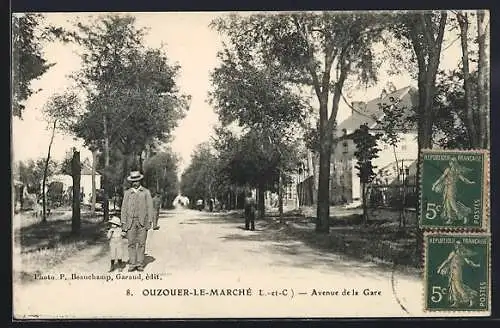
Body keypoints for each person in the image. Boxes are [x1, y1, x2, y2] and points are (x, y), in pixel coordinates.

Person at [120, 171, 154, 272]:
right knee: (131, 243)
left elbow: (150, 207)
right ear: (131, 182)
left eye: (137, 181)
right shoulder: (127, 193)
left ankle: (139, 263)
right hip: (130, 222)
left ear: (140, 181)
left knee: (141, 243)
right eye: (133, 181)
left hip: (142, 222)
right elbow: (124, 208)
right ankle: (132, 264)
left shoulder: (146, 192)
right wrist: (123, 222)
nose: (135, 183)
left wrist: (150, 221)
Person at [432, 157, 475, 224]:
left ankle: (463, 216)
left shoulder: (456, 171)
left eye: (452, 162)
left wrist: (469, 182)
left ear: (454, 163)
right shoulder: (448, 170)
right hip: (447, 188)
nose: (451, 163)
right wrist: (435, 184)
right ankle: (450, 218)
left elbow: (463, 179)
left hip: (451, 188)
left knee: (452, 203)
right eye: (450, 162)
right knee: (447, 204)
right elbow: (441, 178)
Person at [437, 240, 480, 307]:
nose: (458, 246)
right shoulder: (453, 253)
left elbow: (468, 261)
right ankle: (456, 302)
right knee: (453, 286)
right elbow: (447, 261)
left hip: (457, 271)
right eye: (457, 245)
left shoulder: (462, 253)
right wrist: (440, 268)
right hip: (451, 271)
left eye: (459, 245)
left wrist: (475, 265)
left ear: (461, 245)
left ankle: (471, 298)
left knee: (458, 286)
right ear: (455, 246)